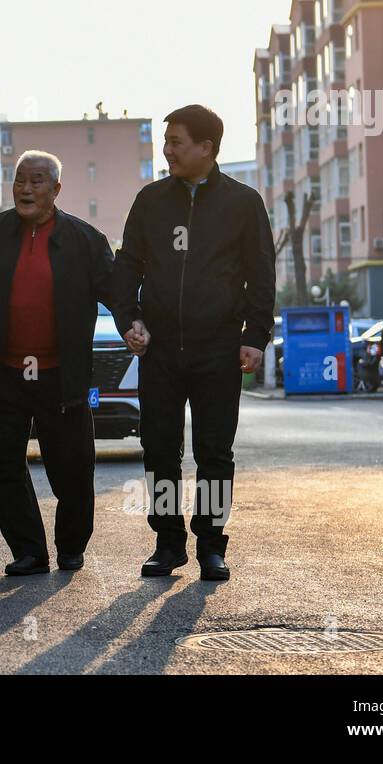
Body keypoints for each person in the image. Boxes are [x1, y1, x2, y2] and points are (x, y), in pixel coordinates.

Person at [111, 105, 275, 582]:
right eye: (166, 142)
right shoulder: (150, 201)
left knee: (214, 452)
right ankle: (167, 542)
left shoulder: (243, 204)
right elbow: (127, 269)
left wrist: (255, 335)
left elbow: (260, 275)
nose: (167, 151)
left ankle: (211, 544)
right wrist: (130, 319)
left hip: (218, 349)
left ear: (207, 147)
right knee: (158, 448)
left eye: (176, 142)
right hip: (159, 350)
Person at [0, 150, 123, 575]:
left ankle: (71, 545)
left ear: (56, 189)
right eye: (20, 180)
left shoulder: (84, 239)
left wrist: (133, 325)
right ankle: (28, 550)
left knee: (72, 467)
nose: (26, 189)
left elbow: (115, 291)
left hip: (61, 373)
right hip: (4, 371)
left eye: (37, 181)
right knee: (2, 464)